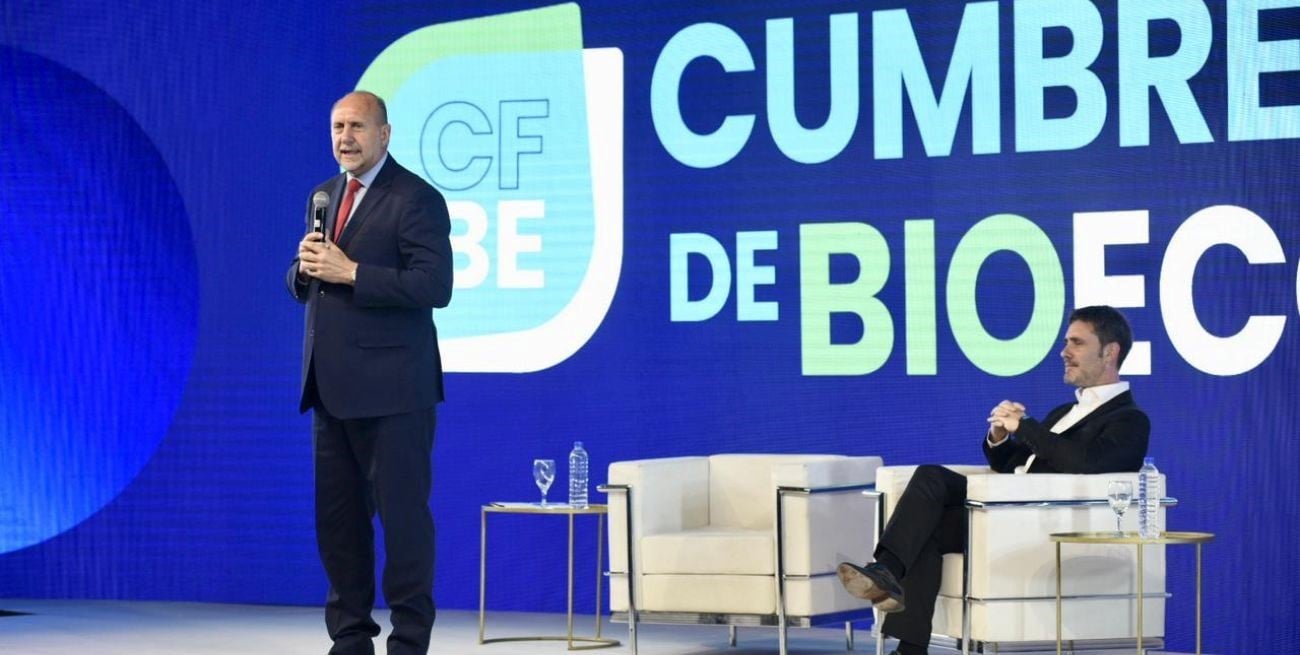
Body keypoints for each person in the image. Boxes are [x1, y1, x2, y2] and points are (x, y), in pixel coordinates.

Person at [836, 305, 1149, 655]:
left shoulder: (1130, 420)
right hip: (1003, 512)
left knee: (930, 486)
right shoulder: (1064, 412)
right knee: (926, 510)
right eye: (1066, 342)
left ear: (1110, 352)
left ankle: (886, 574)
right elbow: (1016, 465)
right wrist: (1000, 437)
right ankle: (903, 627)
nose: (1064, 352)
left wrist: (1026, 427)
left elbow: (1088, 464)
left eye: (1076, 343)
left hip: (1040, 523)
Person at [286, 90, 452, 655]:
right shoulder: (323, 195)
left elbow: (435, 285)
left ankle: (409, 640)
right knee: (338, 524)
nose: (345, 138)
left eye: (357, 126)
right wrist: (303, 271)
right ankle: (350, 637)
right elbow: (306, 278)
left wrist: (352, 271)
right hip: (330, 390)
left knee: (404, 524)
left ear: (384, 134)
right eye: (337, 127)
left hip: (395, 394)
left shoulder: (416, 198)